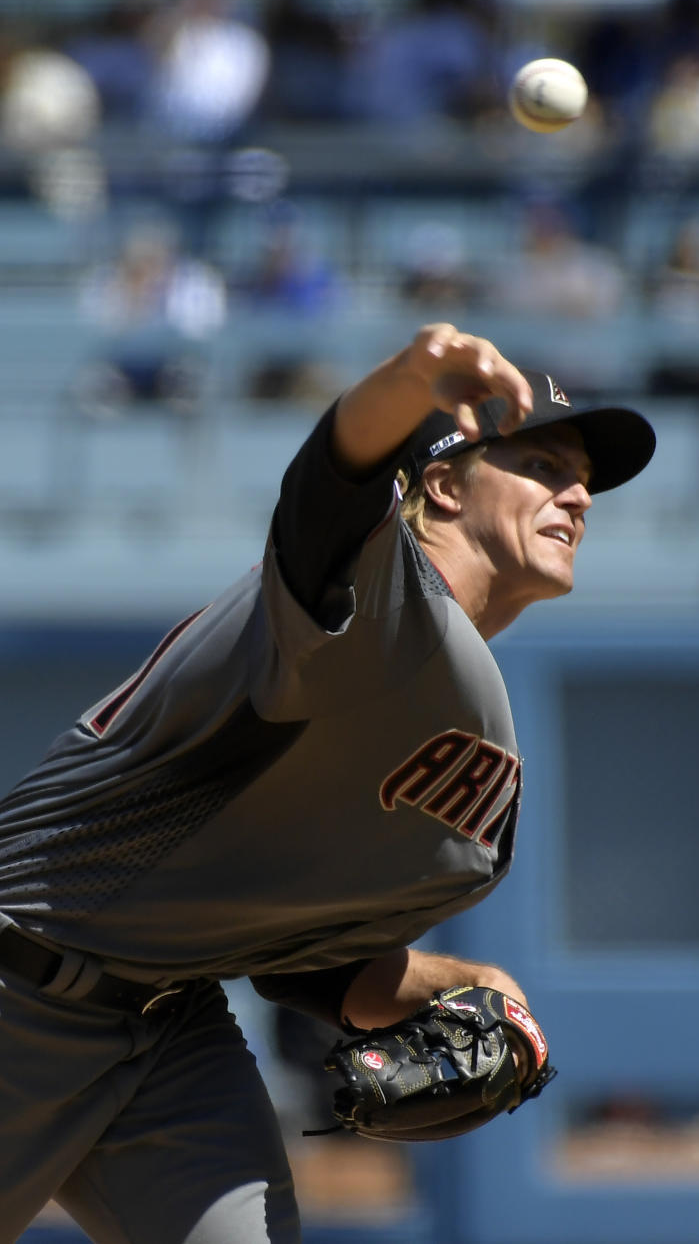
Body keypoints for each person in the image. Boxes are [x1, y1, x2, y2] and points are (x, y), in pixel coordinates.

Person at [0, 322, 656, 1244]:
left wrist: (459, 978)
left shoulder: (469, 745)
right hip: (20, 976)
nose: (579, 494)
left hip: (167, 1026)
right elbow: (328, 487)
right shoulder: (379, 588)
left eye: (583, 478)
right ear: (440, 482)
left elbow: (303, 962)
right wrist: (409, 378)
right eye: (543, 465)